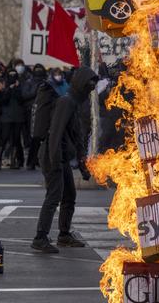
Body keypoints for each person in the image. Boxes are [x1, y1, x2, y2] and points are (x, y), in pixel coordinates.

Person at [31, 66, 98, 253]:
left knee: (69, 195)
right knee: (54, 196)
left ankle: (64, 235)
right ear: (80, 84)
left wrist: (83, 167)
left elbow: (76, 138)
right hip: (52, 155)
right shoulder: (66, 102)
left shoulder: (74, 103)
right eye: (89, 85)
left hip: (60, 157)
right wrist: (54, 161)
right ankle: (40, 237)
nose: (90, 89)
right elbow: (55, 133)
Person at [0, 68, 24, 170]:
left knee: (15, 139)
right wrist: (9, 89)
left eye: (14, 75)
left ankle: (14, 161)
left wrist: (17, 88)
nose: (12, 77)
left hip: (18, 116)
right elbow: (2, 100)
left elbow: (22, 99)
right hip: (6, 116)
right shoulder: (4, 85)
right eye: (10, 75)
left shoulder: (20, 86)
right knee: (4, 138)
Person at [25, 64, 48, 170]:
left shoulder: (47, 83)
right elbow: (25, 95)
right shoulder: (30, 82)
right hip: (33, 112)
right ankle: (31, 161)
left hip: (44, 113)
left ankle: (39, 160)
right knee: (34, 138)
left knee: (43, 138)